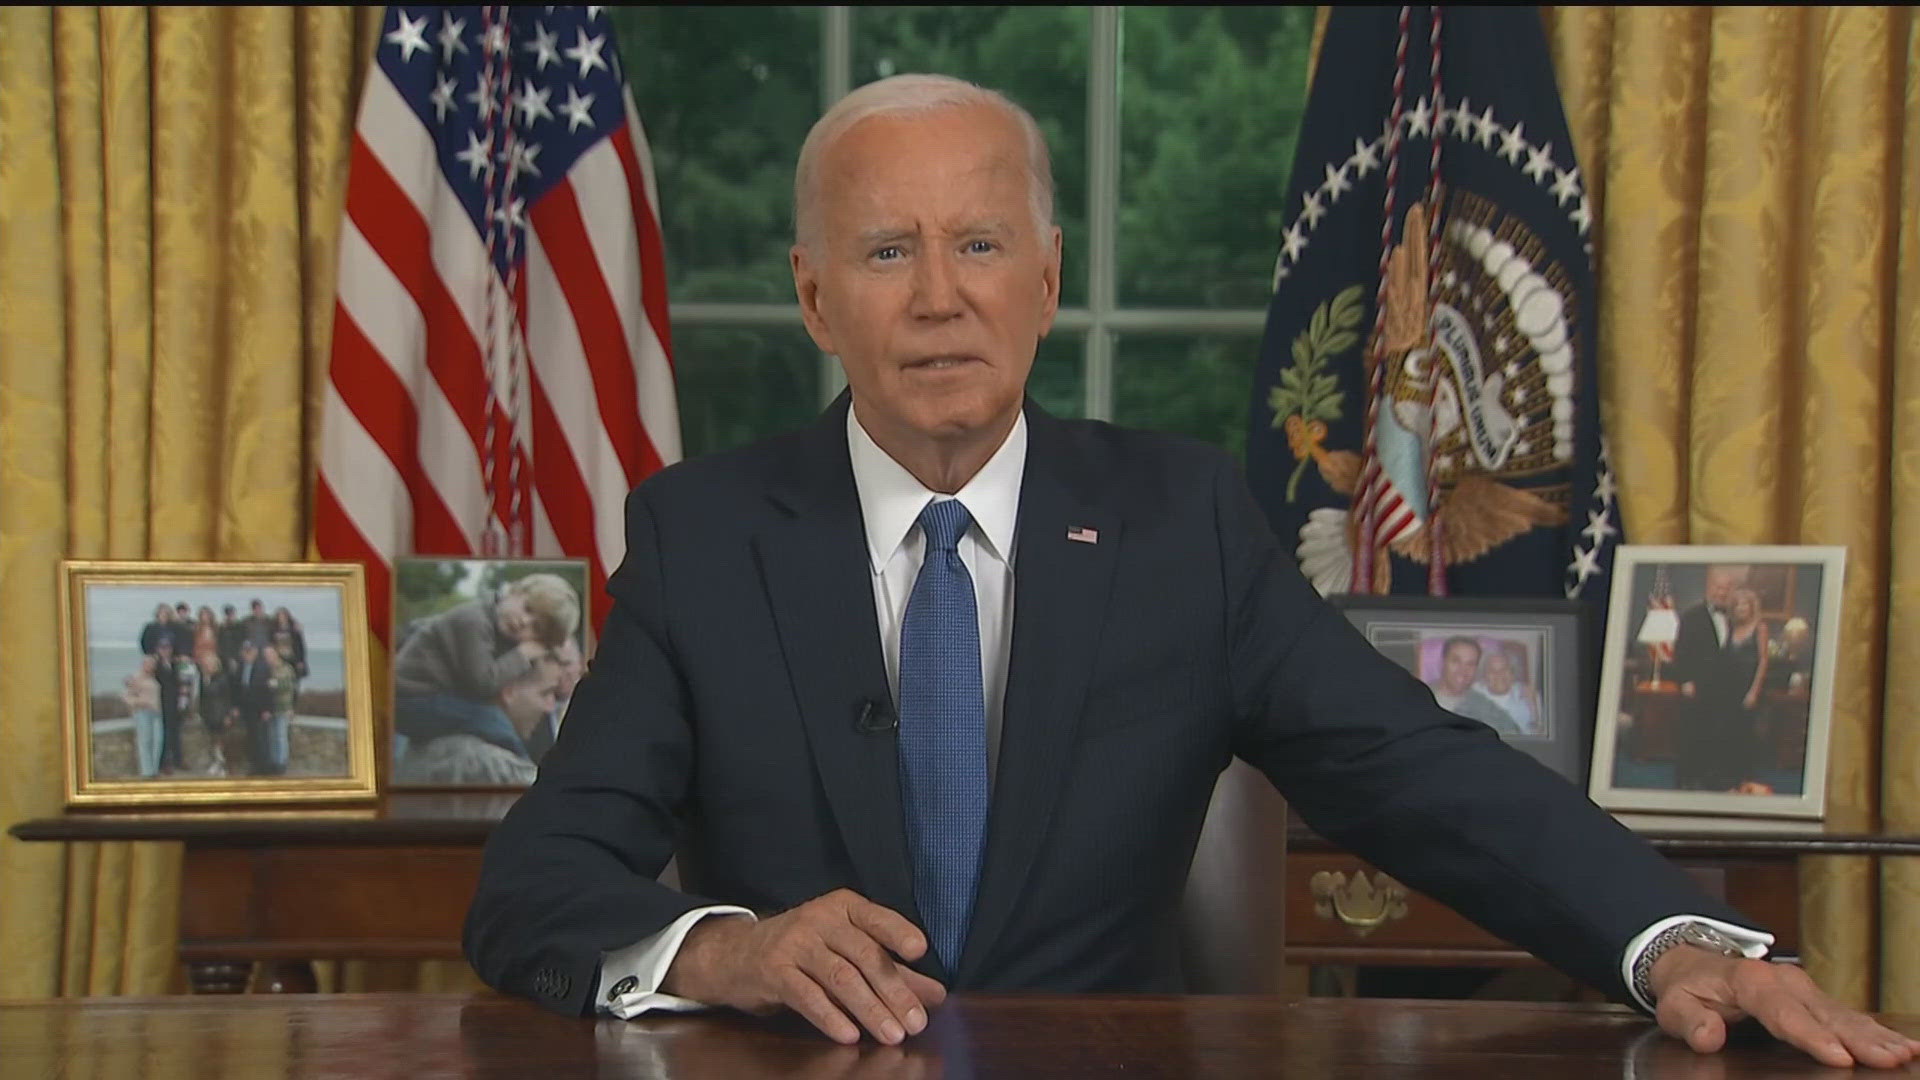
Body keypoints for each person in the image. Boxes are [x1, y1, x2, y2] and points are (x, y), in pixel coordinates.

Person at [464, 76, 1916, 1069]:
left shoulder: (1180, 523)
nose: (939, 296)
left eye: (979, 244)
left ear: (1046, 271)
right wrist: (723, 950)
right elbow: (535, 884)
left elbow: (1422, 774)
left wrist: (1670, 943)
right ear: (813, 297)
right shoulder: (706, 535)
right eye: (887, 250)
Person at [391, 573, 581, 757]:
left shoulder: (497, 626)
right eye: (528, 609)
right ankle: (518, 771)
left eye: (536, 628)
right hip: (409, 697)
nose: (524, 621)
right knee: (491, 719)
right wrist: (523, 653)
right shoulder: (473, 621)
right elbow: (482, 684)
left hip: (432, 696)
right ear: (513, 592)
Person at [396, 656, 559, 787]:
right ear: (510, 692)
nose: (550, 707)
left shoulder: (416, 748)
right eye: (545, 693)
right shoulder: (492, 767)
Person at [1668, 565, 1747, 792]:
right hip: (1697, 688)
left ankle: (1717, 782)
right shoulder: (1691, 616)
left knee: (1721, 736)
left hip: (1726, 690)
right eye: (1718, 587)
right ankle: (1686, 781)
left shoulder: (1736, 618)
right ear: (1709, 588)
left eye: (1726, 588)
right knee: (1693, 735)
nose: (1722, 592)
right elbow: (1681, 652)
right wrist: (1685, 681)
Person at [1724, 587, 1772, 790]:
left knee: (1746, 733)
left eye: (1745, 604)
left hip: (1749, 686)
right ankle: (1730, 776)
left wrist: (1754, 691)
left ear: (1752, 607)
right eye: (1737, 605)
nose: (1741, 608)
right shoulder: (1731, 627)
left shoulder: (1760, 627)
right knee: (1729, 732)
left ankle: (1745, 778)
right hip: (1729, 686)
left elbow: (1763, 661)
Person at [1426, 636, 1519, 736]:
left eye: (1470, 664)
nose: (1462, 670)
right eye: (1456, 661)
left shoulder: (1486, 708)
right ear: (1442, 663)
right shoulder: (1418, 696)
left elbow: (1517, 737)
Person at [523, 637, 583, 767]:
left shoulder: (593, 707)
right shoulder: (530, 709)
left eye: (566, 664)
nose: (561, 672)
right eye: (555, 664)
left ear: (580, 664)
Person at [1478, 646, 1539, 736]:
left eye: (1504, 669)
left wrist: (1533, 708)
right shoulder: (1472, 696)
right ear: (1484, 676)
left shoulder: (1529, 694)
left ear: (1513, 673)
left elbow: (1540, 734)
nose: (1498, 674)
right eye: (1492, 670)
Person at [121, 656, 162, 779]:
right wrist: (140, 702)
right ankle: (147, 772)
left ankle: (154, 770)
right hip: (143, 713)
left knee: (157, 741)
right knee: (145, 741)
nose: (150, 666)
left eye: (152, 664)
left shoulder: (153, 677)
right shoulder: (136, 677)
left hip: (156, 712)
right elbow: (126, 696)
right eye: (148, 664)